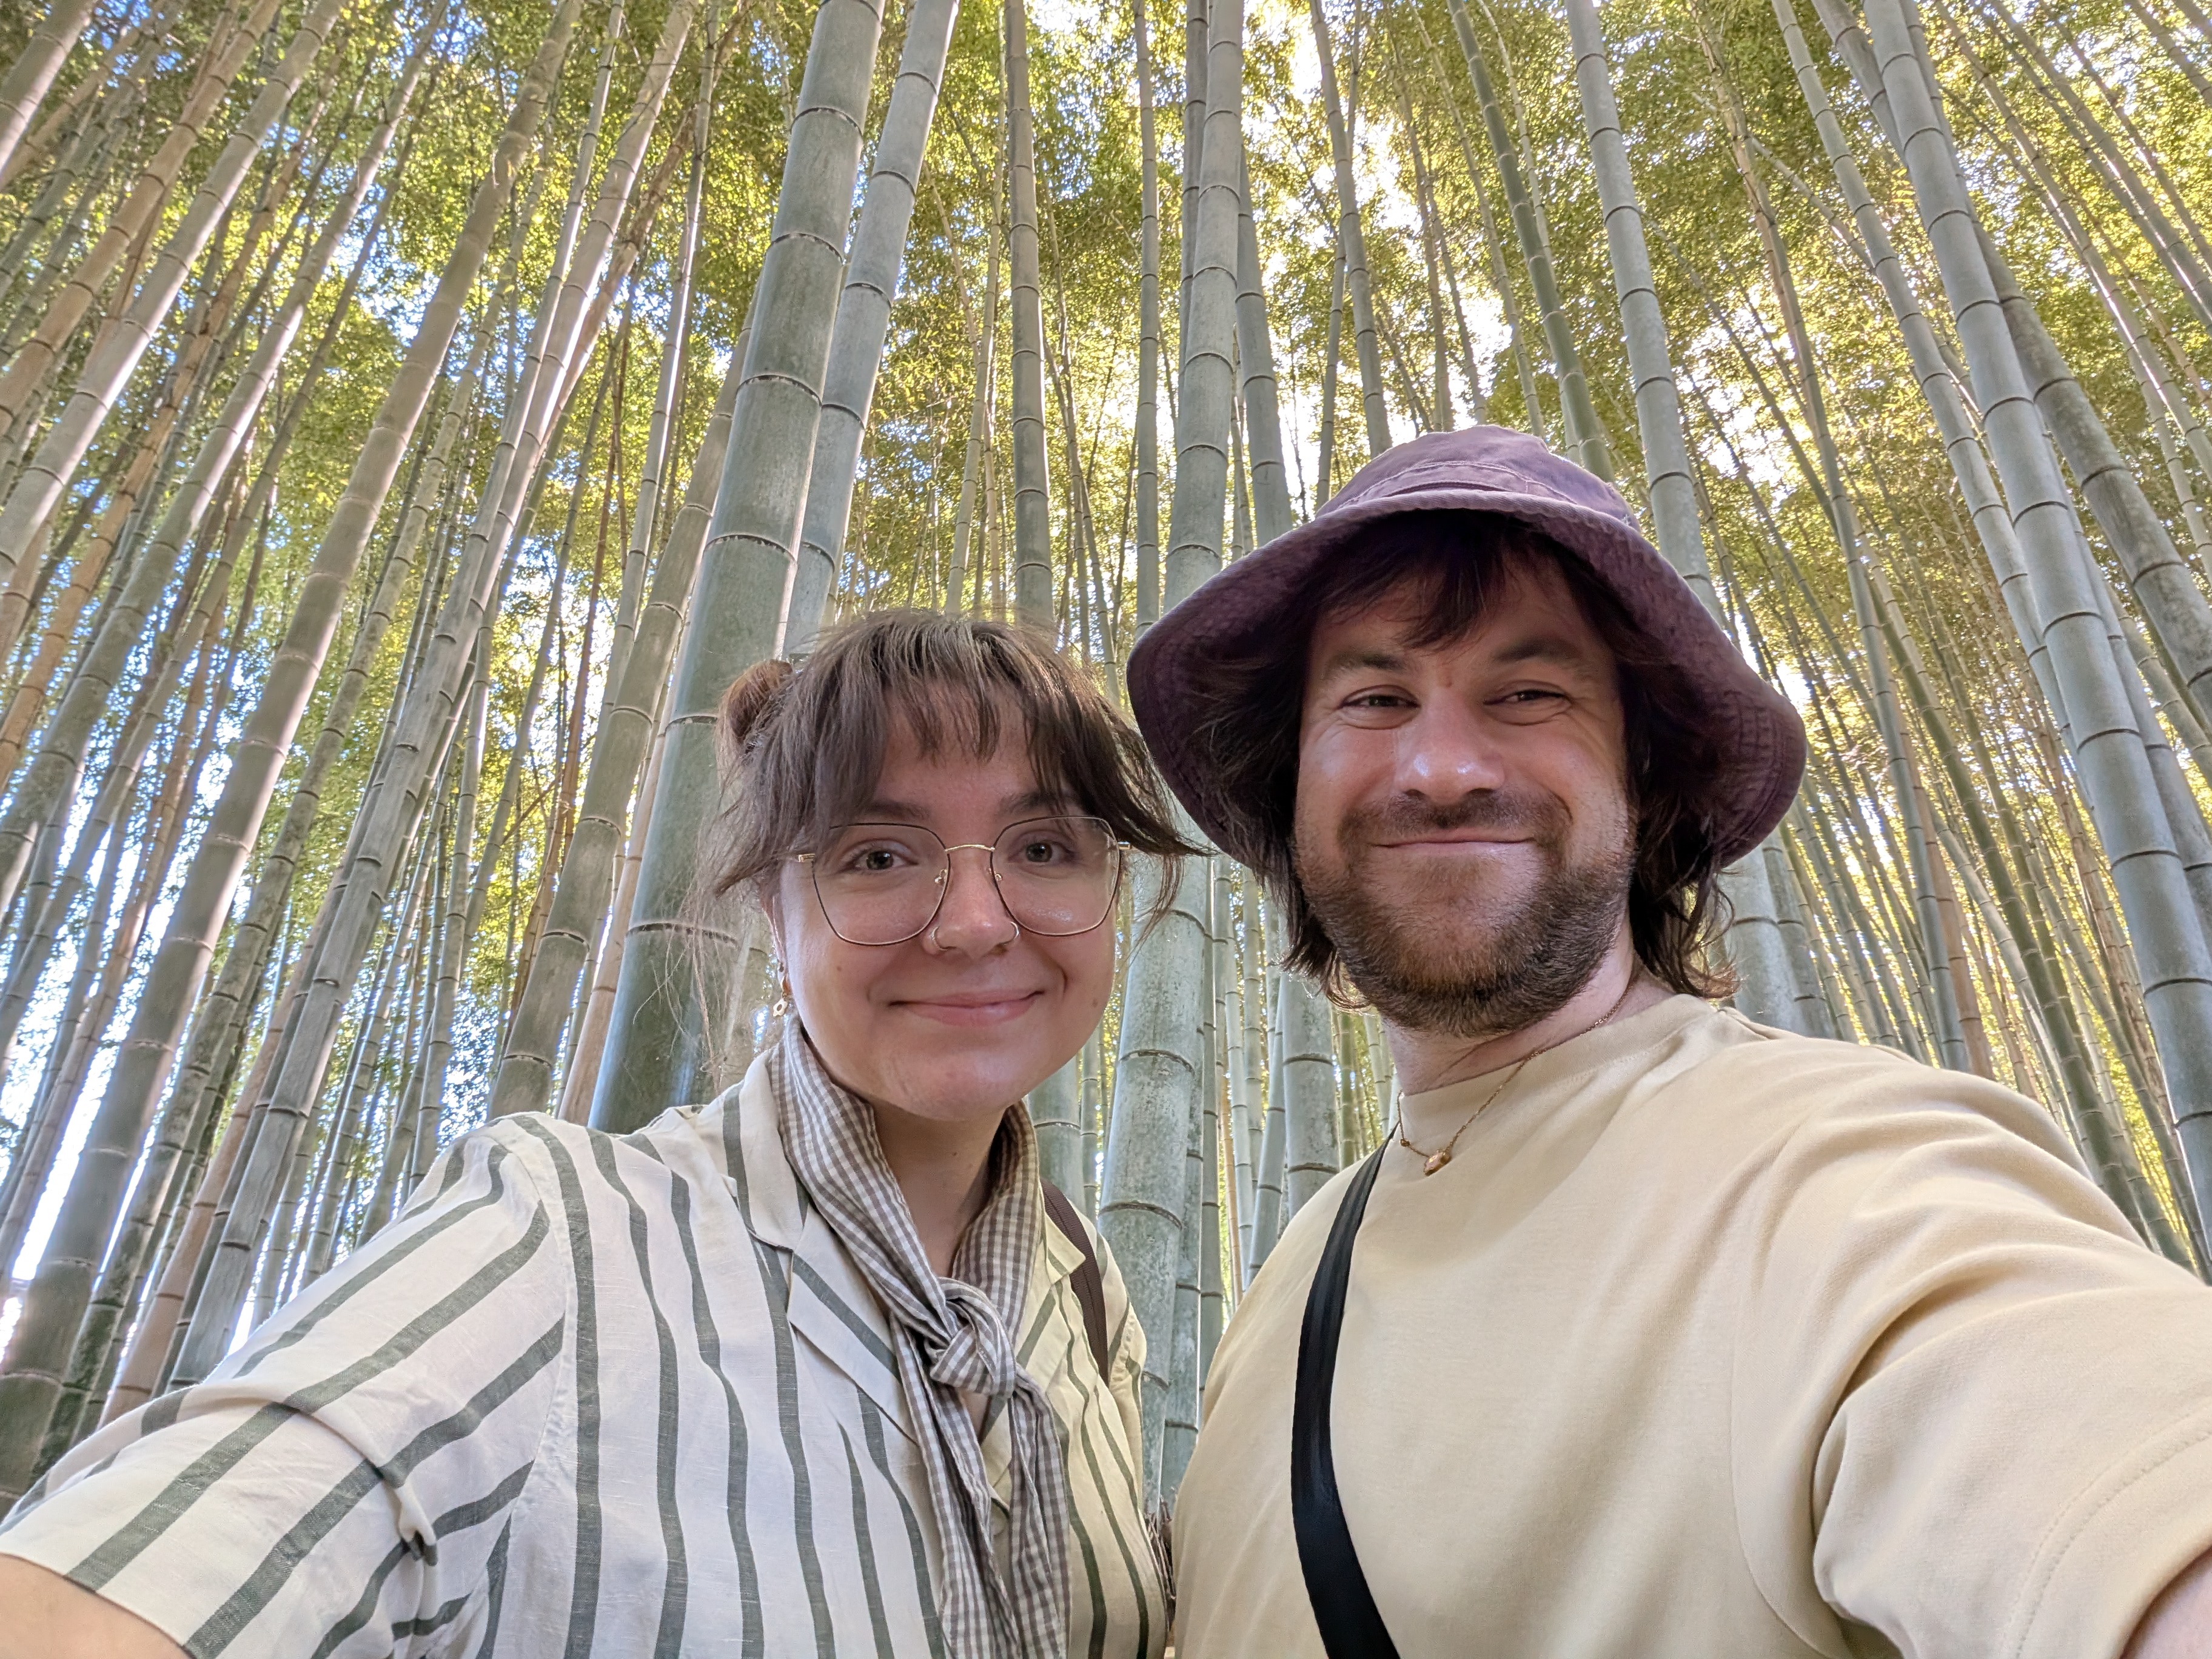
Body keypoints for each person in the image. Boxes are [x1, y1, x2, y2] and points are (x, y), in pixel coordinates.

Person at [1126, 425, 2212, 1658]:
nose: (1439, 767)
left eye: (1528, 694)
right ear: (1293, 781)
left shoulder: (1837, 1176)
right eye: (1374, 699)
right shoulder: (1294, 1273)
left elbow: (2099, 1478)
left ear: (1648, 779)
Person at [0, 610, 1181, 1658]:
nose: (975, 923)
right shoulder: (560, 1233)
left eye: (1043, 849)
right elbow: (243, 1518)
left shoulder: (1083, 1296)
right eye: (880, 855)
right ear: (773, 909)